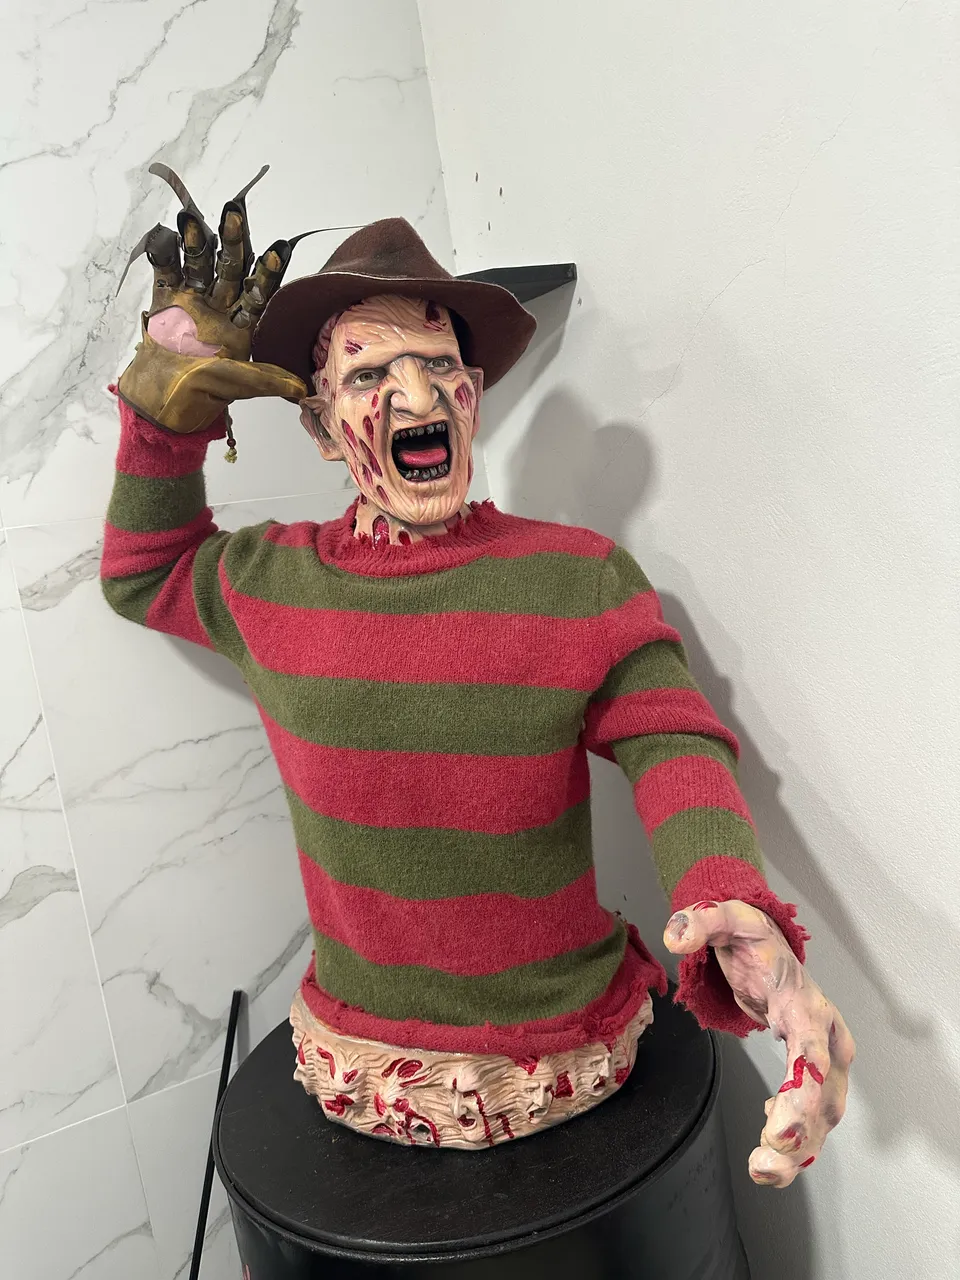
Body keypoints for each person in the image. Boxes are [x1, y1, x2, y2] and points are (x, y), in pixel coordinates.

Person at [104, 169, 853, 1181]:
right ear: (320, 426)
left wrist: (731, 901)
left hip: (574, 1062)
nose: (417, 397)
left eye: (440, 366)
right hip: (354, 1067)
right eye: (371, 375)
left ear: (473, 395)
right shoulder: (269, 584)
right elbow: (143, 568)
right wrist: (162, 417)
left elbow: (672, 738)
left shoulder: (578, 578)